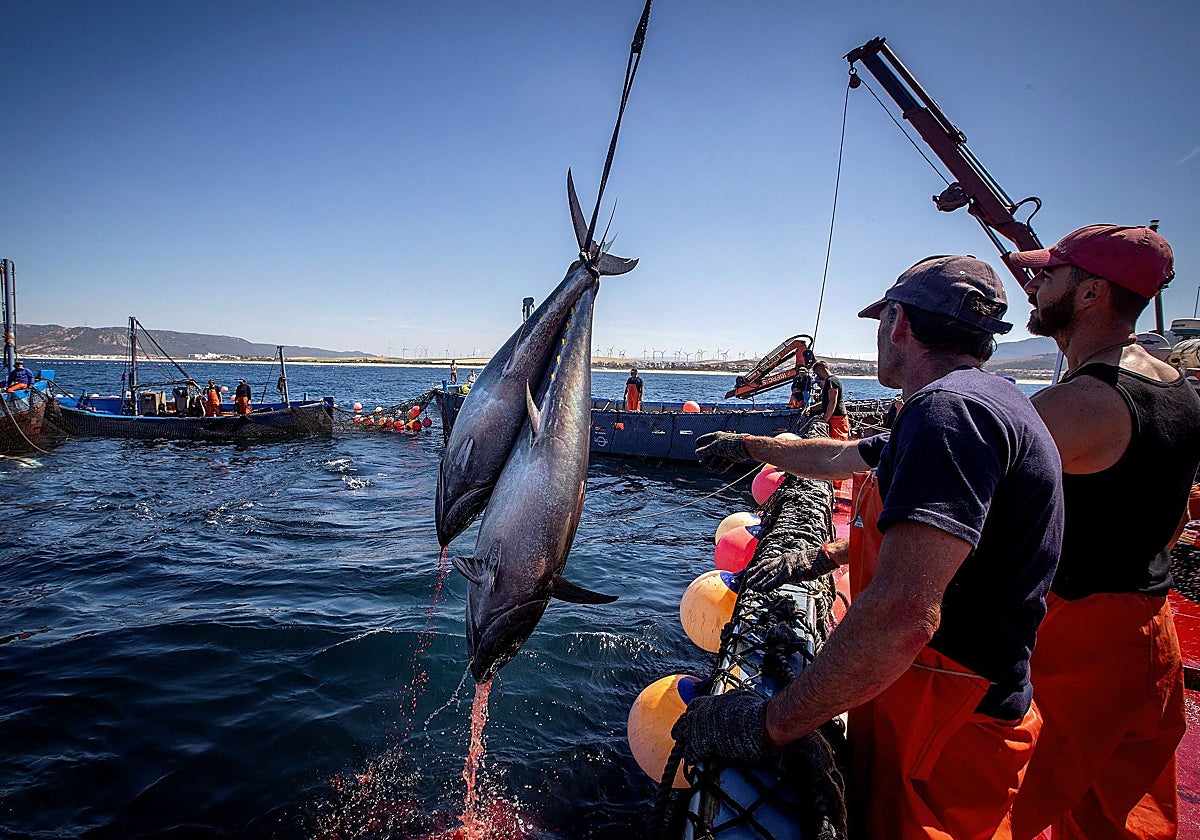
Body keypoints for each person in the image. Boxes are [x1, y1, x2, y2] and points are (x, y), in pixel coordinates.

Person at [681, 255, 1064, 840]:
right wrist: (752, 446)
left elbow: (903, 616)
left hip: (946, 718)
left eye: (880, 323)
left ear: (900, 323)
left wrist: (769, 722)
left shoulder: (949, 416)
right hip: (929, 693)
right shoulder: (976, 401)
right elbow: (842, 456)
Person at [1004, 225, 1200, 839]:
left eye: (1048, 275)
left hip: (1080, 644)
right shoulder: (1178, 391)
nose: (1034, 288)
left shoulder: (1081, 403)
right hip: (1149, 632)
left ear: (1089, 294)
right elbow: (1172, 522)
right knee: (1120, 818)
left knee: (1002, 807)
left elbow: (960, 485)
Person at [805, 359, 848, 439]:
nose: (817, 376)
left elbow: (832, 402)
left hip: (837, 418)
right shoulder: (828, 381)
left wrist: (825, 419)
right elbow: (826, 402)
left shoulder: (832, 381)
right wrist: (811, 408)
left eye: (817, 373)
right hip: (833, 417)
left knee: (838, 443)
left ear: (821, 370)